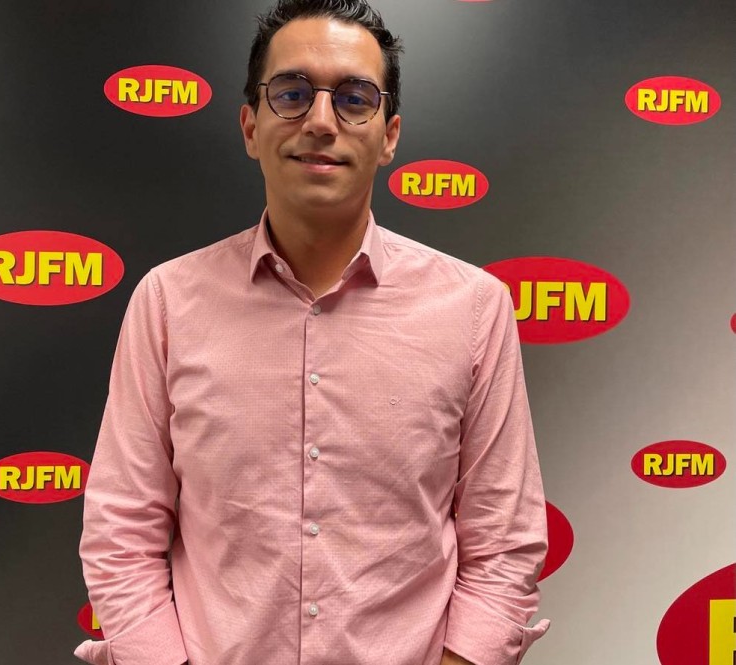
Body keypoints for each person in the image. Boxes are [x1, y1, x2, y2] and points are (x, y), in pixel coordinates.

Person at [75, 1, 549, 664]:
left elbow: (503, 541)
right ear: (250, 126)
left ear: (389, 135)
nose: (321, 122)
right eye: (292, 94)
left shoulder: (474, 308)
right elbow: (121, 530)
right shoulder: (167, 302)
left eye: (354, 99)